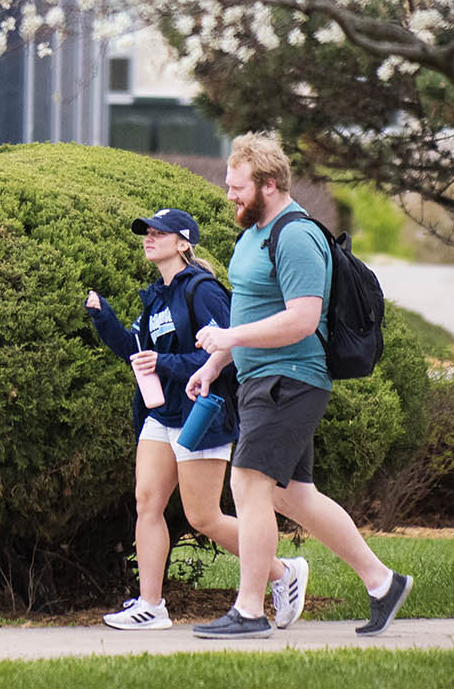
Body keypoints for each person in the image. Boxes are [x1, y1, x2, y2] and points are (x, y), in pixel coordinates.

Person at [187, 133, 413, 640]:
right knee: (294, 496)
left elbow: (303, 319)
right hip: (258, 379)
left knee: (247, 484)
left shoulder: (296, 236)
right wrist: (217, 360)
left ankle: (249, 610)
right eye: (228, 185)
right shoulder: (253, 234)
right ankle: (383, 583)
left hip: (289, 380)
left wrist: (229, 336)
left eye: (238, 187)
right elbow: (251, 312)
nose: (230, 196)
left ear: (269, 183)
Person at [86, 208, 305, 631]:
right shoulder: (156, 295)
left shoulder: (202, 291)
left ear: (183, 242)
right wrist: (104, 319)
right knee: (147, 503)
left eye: (159, 233)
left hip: (200, 414)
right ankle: (151, 605)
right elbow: (138, 354)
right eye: (146, 232)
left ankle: (281, 573)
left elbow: (225, 354)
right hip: (160, 413)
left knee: (202, 516)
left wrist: (165, 361)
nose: (149, 238)